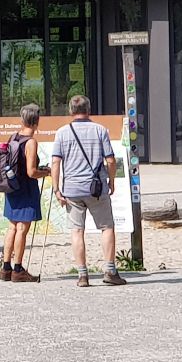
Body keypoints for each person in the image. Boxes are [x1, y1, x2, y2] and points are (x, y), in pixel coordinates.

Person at [51, 95, 125, 287]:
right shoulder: (100, 130)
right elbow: (110, 160)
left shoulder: (62, 133)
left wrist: (56, 189)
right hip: (96, 188)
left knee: (77, 231)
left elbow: (56, 163)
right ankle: (110, 270)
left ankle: (82, 275)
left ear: (70, 111)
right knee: (106, 227)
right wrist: (111, 181)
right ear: (89, 110)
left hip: (72, 189)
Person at [0, 103, 48, 283]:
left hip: (12, 187)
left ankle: (6, 268)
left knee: (12, 226)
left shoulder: (13, 137)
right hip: (26, 189)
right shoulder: (31, 142)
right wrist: (46, 172)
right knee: (22, 229)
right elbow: (31, 172)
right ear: (37, 122)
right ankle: (18, 269)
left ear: (22, 119)